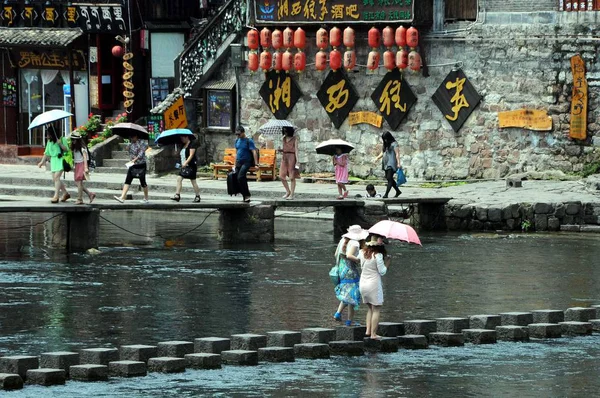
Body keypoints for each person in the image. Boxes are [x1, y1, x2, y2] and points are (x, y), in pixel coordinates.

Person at [333, 225, 368, 326]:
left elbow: (336, 254)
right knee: (352, 294)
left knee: (348, 293)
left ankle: (338, 314)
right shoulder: (355, 243)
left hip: (341, 268)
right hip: (350, 270)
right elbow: (349, 255)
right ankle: (349, 321)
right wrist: (359, 260)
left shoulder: (342, 240)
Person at [359, 234, 389, 339]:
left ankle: (368, 331)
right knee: (376, 308)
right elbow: (382, 272)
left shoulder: (362, 252)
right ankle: (373, 334)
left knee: (370, 308)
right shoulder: (378, 256)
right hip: (373, 284)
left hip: (363, 283)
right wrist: (388, 263)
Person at [37, 129, 71, 203]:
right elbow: (46, 152)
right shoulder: (49, 142)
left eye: (48, 135)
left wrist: (60, 144)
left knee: (56, 177)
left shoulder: (62, 139)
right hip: (53, 161)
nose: (47, 137)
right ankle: (65, 193)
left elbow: (66, 149)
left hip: (60, 159)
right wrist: (42, 162)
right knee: (55, 179)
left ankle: (56, 196)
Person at [114, 133, 149, 203]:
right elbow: (129, 151)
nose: (132, 138)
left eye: (132, 137)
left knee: (143, 182)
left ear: (136, 136)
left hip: (140, 164)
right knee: (128, 180)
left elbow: (141, 153)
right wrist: (127, 148)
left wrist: (135, 159)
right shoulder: (131, 143)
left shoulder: (142, 142)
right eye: (131, 137)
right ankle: (122, 197)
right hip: (132, 164)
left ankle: (146, 198)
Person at [171, 134, 201, 203]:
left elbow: (191, 155)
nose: (182, 140)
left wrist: (186, 162)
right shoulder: (182, 145)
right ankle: (177, 195)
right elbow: (182, 155)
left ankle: (197, 196)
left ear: (187, 137)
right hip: (184, 165)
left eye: (182, 138)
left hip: (190, 165)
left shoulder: (192, 144)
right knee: (179, 179)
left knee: (193, 181)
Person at [234, 126, 258, 203]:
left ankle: (247, 194)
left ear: (243, 133)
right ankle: (245, 196)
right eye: (237, 134)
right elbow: (236, 152)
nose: (238, 135)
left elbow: (254, 152)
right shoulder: (237, 140)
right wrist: (234, 164)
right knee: (238, 178)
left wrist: (256, 164)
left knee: (241, 177)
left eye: (239, 134)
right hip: (239, 162)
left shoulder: (249, 141)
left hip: (246, 162)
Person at [70, 132, 95, 204]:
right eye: (72, 140)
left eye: (74, 140)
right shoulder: (75, 148)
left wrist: (86, 167)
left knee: (79, 182)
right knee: (77, 182)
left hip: (82, 164)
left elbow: (85, 157)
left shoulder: (82, 148)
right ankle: (90, 194)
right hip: (77, 164)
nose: (73, 141)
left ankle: (80, 199)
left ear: (78, 140)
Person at [374, 131, 402, 198]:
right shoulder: (386, 144)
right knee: (389, 178)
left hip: (392, 163)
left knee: (389, 178)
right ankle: (398, 191)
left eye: (386, 138)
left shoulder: (394, 144)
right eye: (384, 139)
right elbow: (382, 152)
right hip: (386, 163)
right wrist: (377, 158)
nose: (385, 140)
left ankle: (386, 194)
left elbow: (397, 154)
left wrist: (398, 163)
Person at [278, 126, 299, 200]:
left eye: (286, 131)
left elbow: (296, 150)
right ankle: (288, 191)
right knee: (281, 175)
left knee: (292, 177)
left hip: (292, 157)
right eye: (284, 131)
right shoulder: (283, 139)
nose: (285, 132)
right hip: (284, 157)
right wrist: (280, 150)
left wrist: (297, 161)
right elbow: (284, 148)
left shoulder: (294, 139)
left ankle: (292, 194)